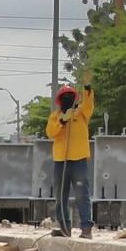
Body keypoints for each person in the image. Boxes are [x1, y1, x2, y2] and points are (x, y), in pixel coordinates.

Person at [44, 81, 95, 238]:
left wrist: (87, 89)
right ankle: (65, 227)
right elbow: (50, 133)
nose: (67, 99)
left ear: (75, 98)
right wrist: (62, 122)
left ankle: (86, 229)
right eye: (64, 97)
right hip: (61, 161)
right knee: (60, 196)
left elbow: (88, 104)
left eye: (70, 97)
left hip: (78, 160)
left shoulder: (81, 114)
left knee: (82, 195)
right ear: (60, 101)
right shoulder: (55, 117)